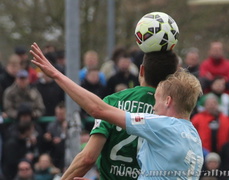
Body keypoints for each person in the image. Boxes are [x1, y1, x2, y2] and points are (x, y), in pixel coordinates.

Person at [30, 42, 204, 180]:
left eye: (156, 99)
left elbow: (97, 109)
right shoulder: (194, 138)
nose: (153, 106)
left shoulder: (163, 126)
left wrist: (56, 75)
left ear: (168, 101)